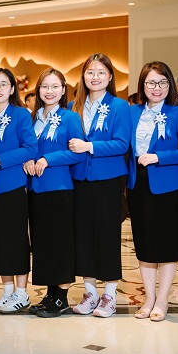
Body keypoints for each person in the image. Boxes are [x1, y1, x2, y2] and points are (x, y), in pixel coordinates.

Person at [128, 62, 178, 321]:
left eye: (162, 82)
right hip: (137, 184)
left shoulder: (176, 113)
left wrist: (159, 156)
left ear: (170, 85)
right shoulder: (132, 112)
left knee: (166, 243)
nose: (156, 88)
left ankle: (162, 299)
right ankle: (148, 298)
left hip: (167, 185)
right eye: (151, 82)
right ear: (142, 85)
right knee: (144, 243)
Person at [68, 53, 131, 318]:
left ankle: (110, 295)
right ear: (83, 76)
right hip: (78, 180)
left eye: (101, 72)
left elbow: (122, 144)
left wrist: (89, 146)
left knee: (107, 237)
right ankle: (90, 293)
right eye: (90, 72)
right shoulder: (73, 106)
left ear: (110, 76)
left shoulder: (119, 106)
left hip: (108, 181)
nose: (95, 77)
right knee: (83, 237)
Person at [23, 68, 85, 318]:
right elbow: (26, 148)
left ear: (63, 90)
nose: (49, 91)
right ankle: (50, 294)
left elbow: (78, 153)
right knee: (43, 243)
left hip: (59, 189)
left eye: (54, 86)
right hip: (35, 189)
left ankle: (62, 296)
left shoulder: (70, 117)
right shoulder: (32, 118)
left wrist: (48, 159)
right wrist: (28, 160)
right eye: (45, 87)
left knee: (60, 243)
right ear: (38, 90)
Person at [0, 68, 37, 314]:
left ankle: (21, 293)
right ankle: (8, 292)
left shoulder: (21, 114)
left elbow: (30, 148)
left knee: (15, 241)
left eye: (3, 84)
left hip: (12, 186)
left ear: (12, 89)